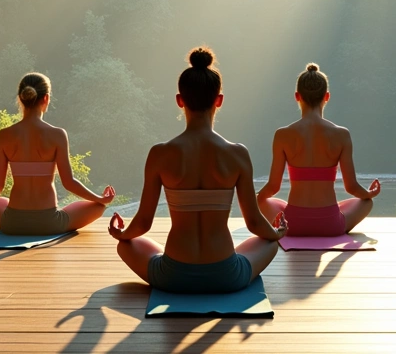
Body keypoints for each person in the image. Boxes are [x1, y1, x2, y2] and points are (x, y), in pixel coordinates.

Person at [109, 47, 285, 294]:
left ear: (180, 100)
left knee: (125, 246)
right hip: (226, 276)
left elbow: (143, 223)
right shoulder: (237, 154)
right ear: (219, 100)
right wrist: (277, 232)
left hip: (173, 276)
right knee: (269, 243)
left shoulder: (160, 154)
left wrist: (122, 233)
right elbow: (255, 222)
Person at [0, 72, 116, 235]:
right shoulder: (57, 135)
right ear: (46, 98)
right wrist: (100, 199)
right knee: (98, 207)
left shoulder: (5, 135)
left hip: (13, 222)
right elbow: (69, 183)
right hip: (49, 223)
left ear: (21, 98)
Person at [257, 63, 380, 236]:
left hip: (293, 225)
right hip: (330, 225)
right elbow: (352, 187)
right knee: (366, 203)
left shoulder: (282, 135)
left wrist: (256, 198)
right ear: (327, 96)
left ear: (297, 96)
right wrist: (370, 193)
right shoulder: (341, 135)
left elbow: (273, 187)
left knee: (263, 201)